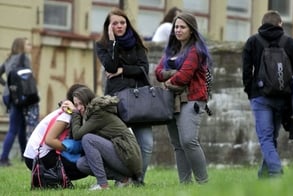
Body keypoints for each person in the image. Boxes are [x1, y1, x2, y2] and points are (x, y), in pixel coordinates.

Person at [242, 10, 293, 178]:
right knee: (271, 137)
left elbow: (246, 72)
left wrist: (251, 91)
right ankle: (263, 175)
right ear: (280, 24)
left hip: (260, 96)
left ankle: (276, 172)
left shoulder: (252, 41)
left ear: (262, 24)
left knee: (266, 138)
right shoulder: (290, 43)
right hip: (283, 98)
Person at [95, 7, 153, 183]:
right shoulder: (102, 45)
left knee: (146, 143)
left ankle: (138, 180)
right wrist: (113, 43)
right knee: (117, 144)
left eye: (122, 22)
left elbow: (144, 69)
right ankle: (121, 179)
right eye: (115, 23)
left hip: (138, 99)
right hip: (116, 101)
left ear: (127, 24)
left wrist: (123, 69)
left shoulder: (137, 43)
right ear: (109, 26)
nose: (119, 26)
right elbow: (111, 67)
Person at [155, 12, 211, 184]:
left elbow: (184, 77)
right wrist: (172, 75)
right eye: (176, 27)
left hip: (192, 99)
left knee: (188, 141)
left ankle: (203, 183)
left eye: (182, 27)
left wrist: (169, 78)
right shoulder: (172, 50)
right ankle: (185, 184)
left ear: (191, 30)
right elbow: (157, 73)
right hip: (171, 100)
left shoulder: (195, 51)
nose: (178, 30)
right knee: (178, 144)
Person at [61, 86, 142, 190]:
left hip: (128, 157)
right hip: (121, 156)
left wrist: (75, 113)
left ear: (88, 100)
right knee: (82, 164)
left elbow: (77, 135)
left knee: (88, 139)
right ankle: (123, 179)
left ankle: (102, 185)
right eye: (76, 105)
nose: (79, 108)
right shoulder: (91, 113)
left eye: (81, 103)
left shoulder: (98, 113)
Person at [23, 84, 88, 181]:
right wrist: (72, 148)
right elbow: (49, 140)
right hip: (36, 157)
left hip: (36, 154)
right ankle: (54, 179)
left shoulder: (68, 112)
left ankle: (55, 179)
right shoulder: (67, 115)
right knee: (82, 167)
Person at [0, 37, 38, 166]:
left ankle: (24, 155)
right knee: (14, 128)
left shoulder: (9, 59)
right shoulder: (24, 58)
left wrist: (7, 85)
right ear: (21, 46)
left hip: (8, 96)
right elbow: (28, 78)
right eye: (28, 44)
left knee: (21, 126)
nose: (30, 46)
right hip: (20, 97)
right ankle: (3, 158)